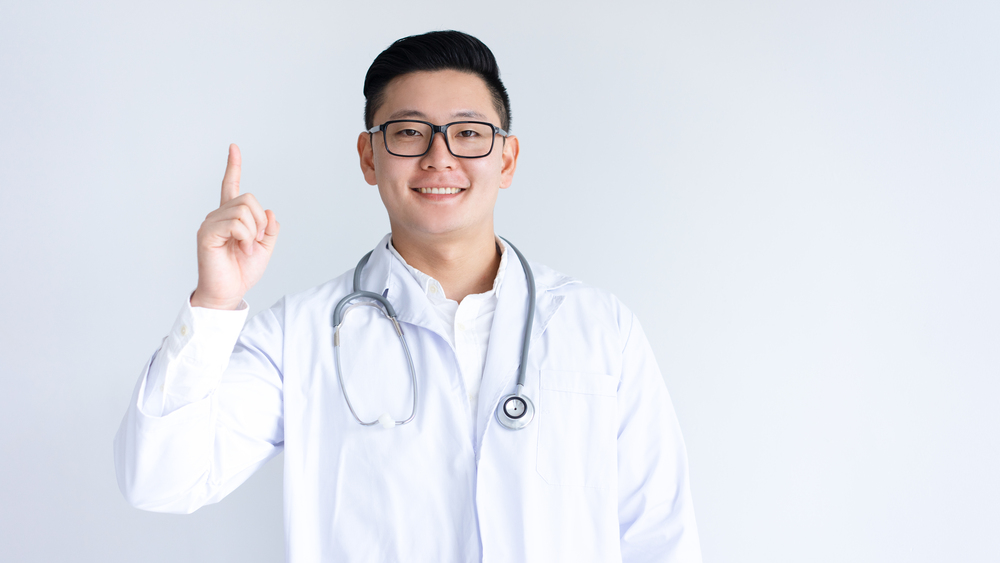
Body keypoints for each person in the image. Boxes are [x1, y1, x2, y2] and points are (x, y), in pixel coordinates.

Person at [114, 30, 702, 562]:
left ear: (507, 159)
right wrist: (214, 304)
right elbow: (159, 481)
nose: (439, 157)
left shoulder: (599, 327)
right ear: (369, 157)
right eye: (409, 133)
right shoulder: (302, 334)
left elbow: (660, 535)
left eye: (468, 133)